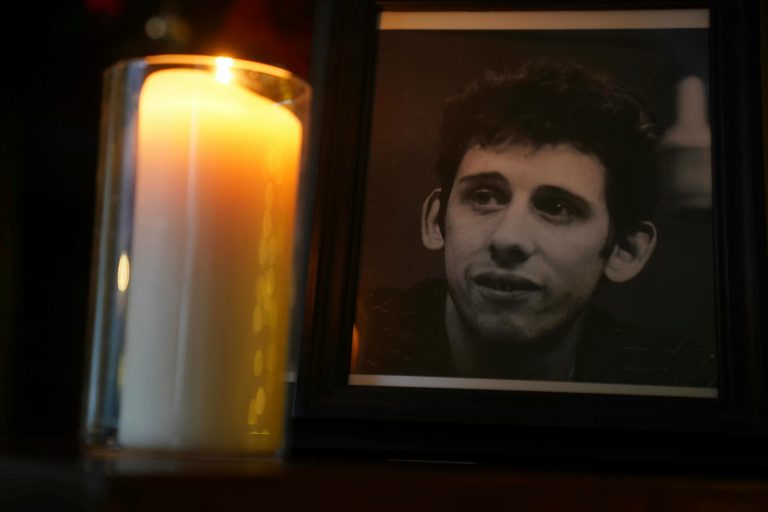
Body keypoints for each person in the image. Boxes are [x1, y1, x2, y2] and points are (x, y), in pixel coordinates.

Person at [353, 60, 716, 386]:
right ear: (435, 220)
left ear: (625, 250)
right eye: (483, 197)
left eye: (557, 207)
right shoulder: (351, 345)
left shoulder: (681, 382)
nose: (508, 238)